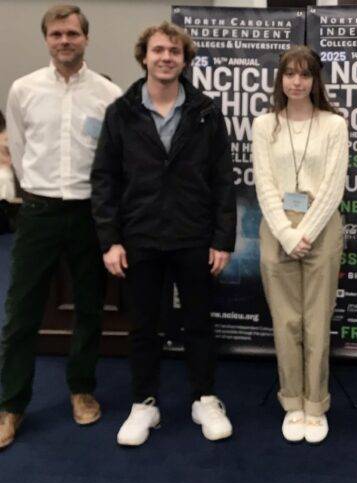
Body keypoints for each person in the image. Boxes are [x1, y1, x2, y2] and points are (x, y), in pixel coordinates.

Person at [91, 22, 236, 446]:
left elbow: (224, 180)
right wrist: (110, 239)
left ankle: (204, 398)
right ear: (144, 56)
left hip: (194, 236)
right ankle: (144, 403)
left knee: (198, 324)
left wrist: (222, 239)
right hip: (140, 237)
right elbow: (104, 180)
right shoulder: (121, 112)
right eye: (159, 50)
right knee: (143, 326)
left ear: (185, 60)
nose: (166, 57)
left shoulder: (206, 112)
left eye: (175, 51)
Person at [0, 4, 121, 450]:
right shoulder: (23, 89)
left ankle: (81, 389)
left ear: (86, 38)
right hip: (39, 212)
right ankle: (11, 405)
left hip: (90, 214)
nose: (64, 41)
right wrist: (35, 193)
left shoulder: (109, 93)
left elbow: (113, 160)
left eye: (72, 33)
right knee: (21, 313)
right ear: (46, 39)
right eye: (56, 34)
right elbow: (19, 144)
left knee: (90, 307)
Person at [252, 46, 348, 444]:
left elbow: (333, 184)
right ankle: (292, 402)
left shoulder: (333, 124)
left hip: (321, 225)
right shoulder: (263, 124)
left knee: (316, 320)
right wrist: (287, 233)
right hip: (277, 229)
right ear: (280, 79)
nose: (296, 81)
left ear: (315, 80)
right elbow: (264, 183)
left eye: (304, 75)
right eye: (289, 74)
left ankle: (315, 404)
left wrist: (305, 229)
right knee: (286, 320)